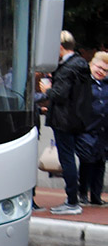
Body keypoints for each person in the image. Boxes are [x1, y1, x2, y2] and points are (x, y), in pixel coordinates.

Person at [38, 30, 93, 215]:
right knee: (73, 158)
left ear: (60, 48)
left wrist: (47, 89)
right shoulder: (80, 64)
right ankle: (75, 198)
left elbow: (59, 95)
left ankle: (71, 201)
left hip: (63, 119)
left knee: (67, 159)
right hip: (77, 118)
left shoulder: (66, 69)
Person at [77, 50, 108, 206]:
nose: (101, 72)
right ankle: (82, 192)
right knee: (87, 162)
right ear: (92, 64)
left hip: (103, 132)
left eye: (105, 70)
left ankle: (96, 196)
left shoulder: (106, 86)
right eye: (99, 67)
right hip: (86, 129)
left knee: (100, 164)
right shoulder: (84, 83)